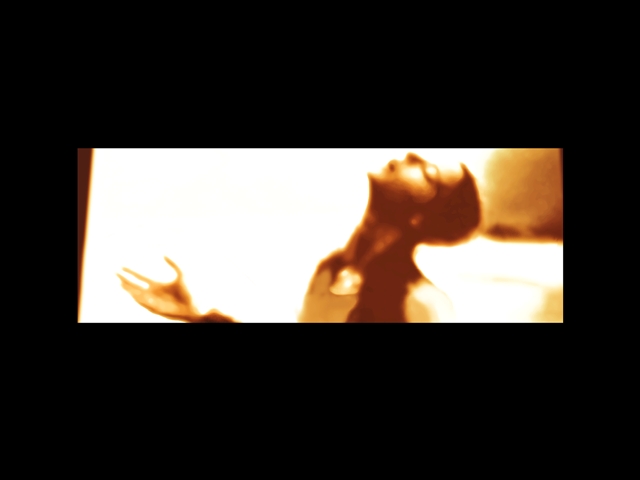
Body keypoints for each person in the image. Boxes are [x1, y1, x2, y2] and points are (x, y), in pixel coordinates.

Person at [118, 152, 482, 323]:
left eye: (428, 171)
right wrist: (201, 318)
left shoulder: (425, 306)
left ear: (420, 218)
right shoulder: (333, 270)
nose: (411, 154)